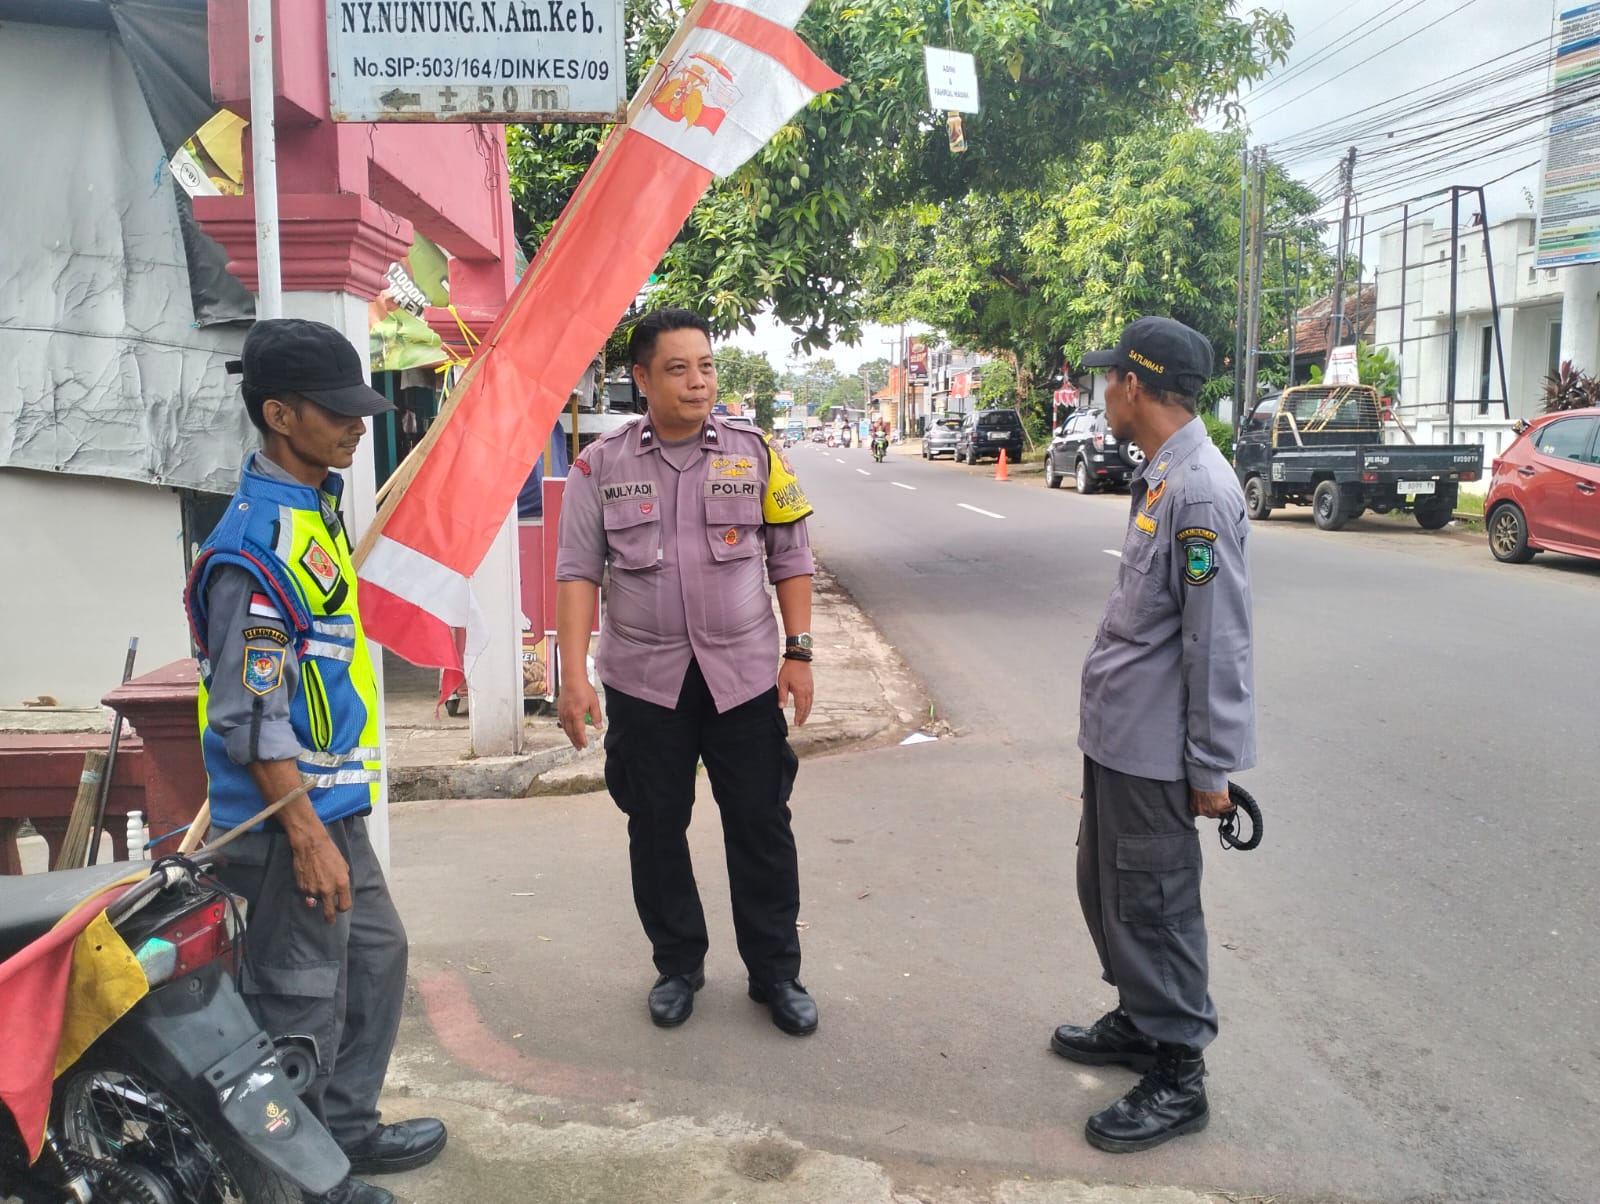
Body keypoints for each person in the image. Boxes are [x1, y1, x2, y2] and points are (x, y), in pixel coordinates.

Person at [184, 319, 447, 1204]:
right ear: (278, 414)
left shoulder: (313, 511)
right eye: (336, 412)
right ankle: (297, 1181)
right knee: (298, 1002)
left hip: (331, 808)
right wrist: (302, 835)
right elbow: (252, 717)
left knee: (375, 958)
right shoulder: (255, 547)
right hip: (281, 825)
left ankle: (344, 1132)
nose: (356, 427)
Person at [553, 307, 820, 1037]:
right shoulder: (599, 466)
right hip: (645, 682)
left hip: (743, 677)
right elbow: (577, 573)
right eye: (678, 368)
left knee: (761, 824)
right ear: (641, 379)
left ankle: (776, 973)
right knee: (655, 826)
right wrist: (573, 675)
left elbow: (791, 555)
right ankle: (678, 965)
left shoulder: (755, 453)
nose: (698, 381)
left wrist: (798, 653)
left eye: (705, 366)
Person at [1052, 316, 1255, 1154]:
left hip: (1156, 751)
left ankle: (1179, 1074)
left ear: (1134, 386)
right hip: (1120, 737)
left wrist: (1211, 765)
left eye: (1110, 378)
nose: (1103, 392)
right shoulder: (1165, 477)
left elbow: (1218, 640)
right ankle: (1142, 1020)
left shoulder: (1198, 491)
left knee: (1154, 902)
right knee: (1107, 885)